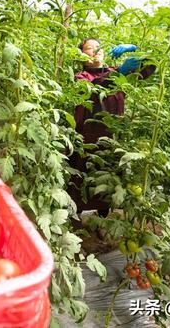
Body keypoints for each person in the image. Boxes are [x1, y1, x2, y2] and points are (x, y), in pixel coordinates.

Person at [68, 37, 156, 216]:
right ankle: (76, 219)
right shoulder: (81, 77)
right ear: (80, 57)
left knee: (108, 181)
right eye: (88, 48)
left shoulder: (116, 72)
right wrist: (119, 74)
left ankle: (102, 217)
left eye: (97, 47)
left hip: (111, 139)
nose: (95, 50)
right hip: (86, 139)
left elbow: (151, 67)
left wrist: (137, 50)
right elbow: (97, 88)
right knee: (82, 179)